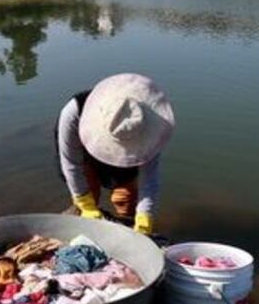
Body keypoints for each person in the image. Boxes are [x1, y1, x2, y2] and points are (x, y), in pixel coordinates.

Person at [56, 73, 175, 235]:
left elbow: (150, 179)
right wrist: (85, 203)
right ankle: (88, 225)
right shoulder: (73, 113)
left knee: (125, 196)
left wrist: (145, 217)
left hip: (132, 141)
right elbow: (71, 164)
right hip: (82, 148)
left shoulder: (150, 124)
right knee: (90, 190)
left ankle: (127, 224)